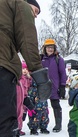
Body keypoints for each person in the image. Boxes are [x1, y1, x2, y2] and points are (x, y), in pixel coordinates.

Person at [0, 0, 52, 136]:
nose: (35, 16)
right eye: (35, 11)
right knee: (4, 122)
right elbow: (27, 41)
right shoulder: (19, 4)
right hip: (2, 66)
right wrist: (40, 75)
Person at [40, 39, 67, 133]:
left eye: (52, 47)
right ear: (45, 48)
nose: (50, 49)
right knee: (40, 106)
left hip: (54, 86)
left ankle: (58, 124)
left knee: (55, 105)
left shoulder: (58, 59)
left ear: (54, 48)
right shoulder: (41, 58)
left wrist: (62, 86)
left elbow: (63, 73)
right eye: (48, 47)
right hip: (42, 86)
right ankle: (40, 124)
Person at [16, 61, 33, 136]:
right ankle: (17, 129)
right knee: (18, 114)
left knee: (22, 115)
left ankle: (19, 128)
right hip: (20, 99)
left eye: (26, 69)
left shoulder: (29, 79)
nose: (25, 70)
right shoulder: (20, 78)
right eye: (23, 68)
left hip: (25, 99)